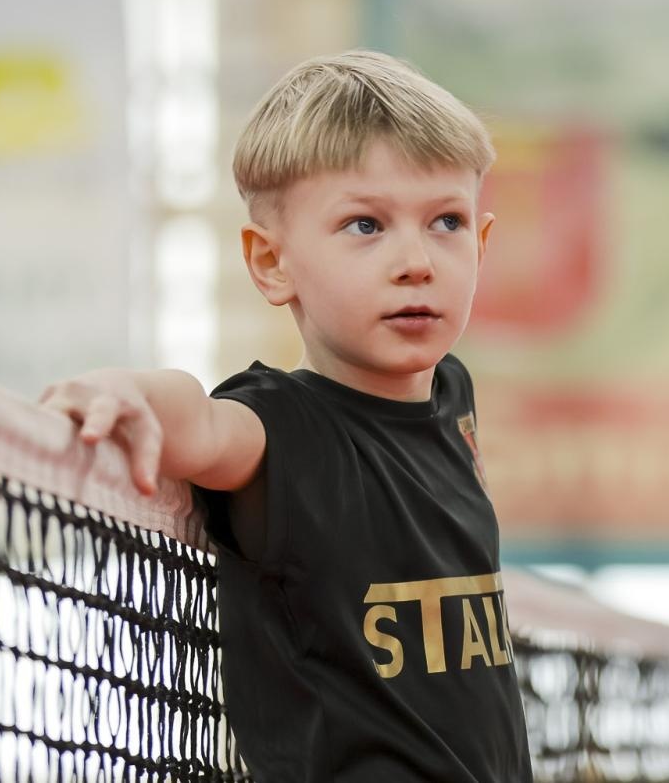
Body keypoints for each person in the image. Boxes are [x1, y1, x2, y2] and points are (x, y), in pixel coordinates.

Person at [38, 50, 533, 782]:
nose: (417, 260)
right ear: (272, 263)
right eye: (365, 225)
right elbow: (202, 424)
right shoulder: (284, 431)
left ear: (481, 246)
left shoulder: (452, 397)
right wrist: (125, 392)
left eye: (447, 222)